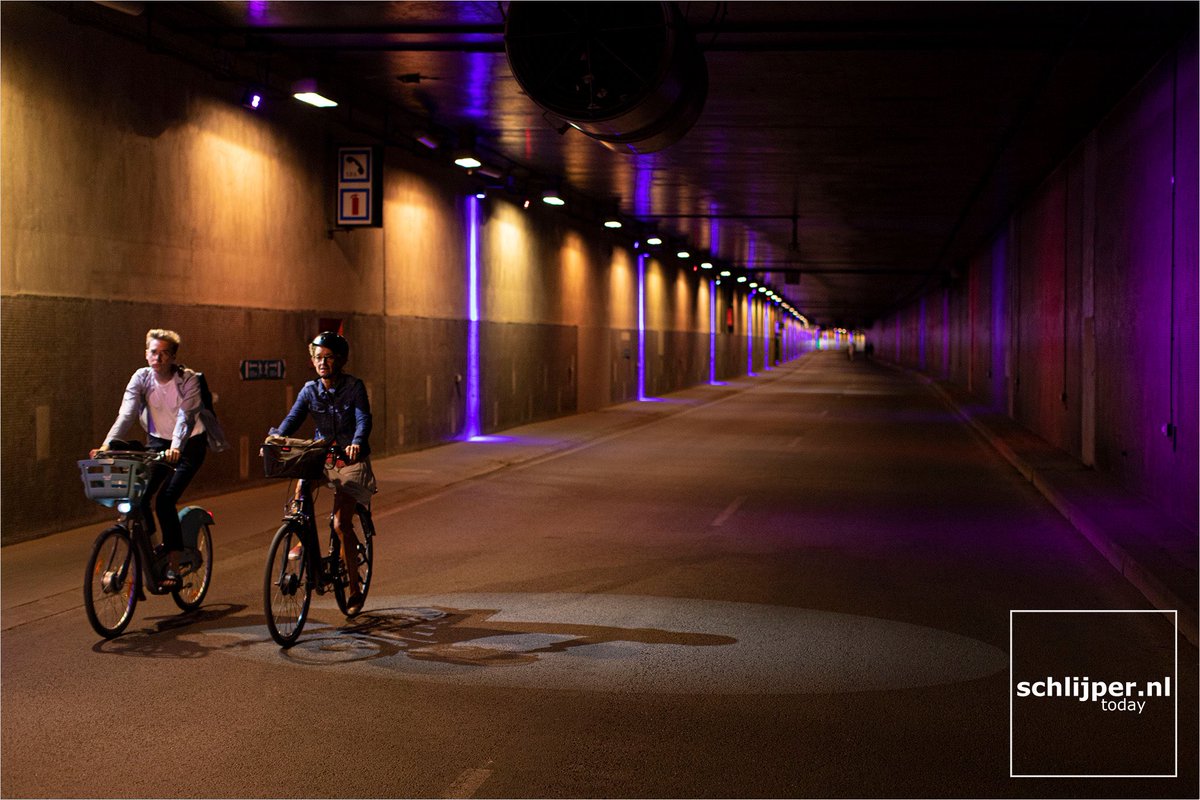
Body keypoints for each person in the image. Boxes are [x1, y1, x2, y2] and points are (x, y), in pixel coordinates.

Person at [93, 329, 227, 588]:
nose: (158, 358)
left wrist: (176, 447)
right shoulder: (141, 378)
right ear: (146, 354)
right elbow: (127, 414)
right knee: (139, 498)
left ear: (173, 357)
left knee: (165, 500)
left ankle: (174, 564)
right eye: (154, 352)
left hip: (188, 445)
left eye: (164, 353)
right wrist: (107, 444)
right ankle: (155, 550)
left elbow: (185, 419)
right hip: (156, 442)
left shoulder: (188, 380)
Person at [269, 331, 375, 607]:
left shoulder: (354, 387)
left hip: (350, 458)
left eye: (327, 357)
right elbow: (292, 419)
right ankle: (302, 535)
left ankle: (353, 587)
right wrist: (274, 441)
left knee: (341, 524)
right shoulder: (310, 390)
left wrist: (356, 442)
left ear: (340, 360)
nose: (322, 362)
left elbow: (363, 419)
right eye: (317, 357)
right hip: (323, 454)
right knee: (301, 489)